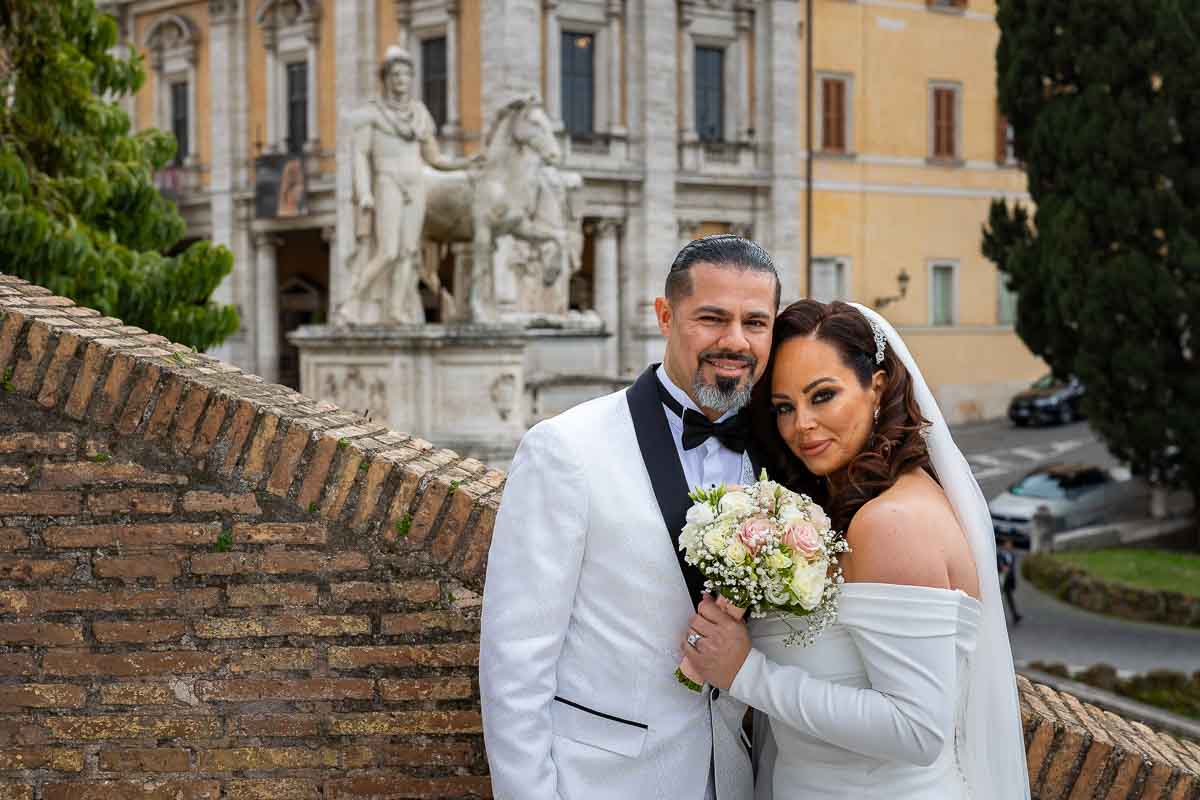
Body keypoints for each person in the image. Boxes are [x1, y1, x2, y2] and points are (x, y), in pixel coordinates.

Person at [681, 300, 1030, 800]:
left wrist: (744, 672)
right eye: (784, 407)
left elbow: (916, 730)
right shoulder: (858, 502)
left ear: (878, 387)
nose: (801, 425)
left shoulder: (892, 522)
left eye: (822, 396)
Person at [480, 235, 779, 800]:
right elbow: (514, 663)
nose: (735, 341)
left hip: (736, 780)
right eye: (712, 317)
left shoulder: (781, 455)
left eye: (755, 322)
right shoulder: (564, 448)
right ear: (665, 316)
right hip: (602, 782)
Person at [339, 46, 477, 324]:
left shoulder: (419, 114)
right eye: (396, 74)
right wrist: (364, 192)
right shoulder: (372, 114)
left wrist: (468, 163)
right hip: (387, 180)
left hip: (416, 185)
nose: (401, 79)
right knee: (388, 250)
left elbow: (435, 158)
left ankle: (397, 309)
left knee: (409, 252)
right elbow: (360, 156)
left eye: (406, 74)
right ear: (386, 79)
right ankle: (351, 302)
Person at [998, 536, 1022, 625]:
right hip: (1002, 579)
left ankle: (1015, 615)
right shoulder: (1000, 554)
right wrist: (1002, 568)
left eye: (1010, 544)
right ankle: (998, 616)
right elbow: (998, 564)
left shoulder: (1012, 555)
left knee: (1009, 599)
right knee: (999, 599)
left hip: (1009, 580)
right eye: (1008, 544)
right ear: (1004, 545)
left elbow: (1012, 569)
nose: (1009, 546)